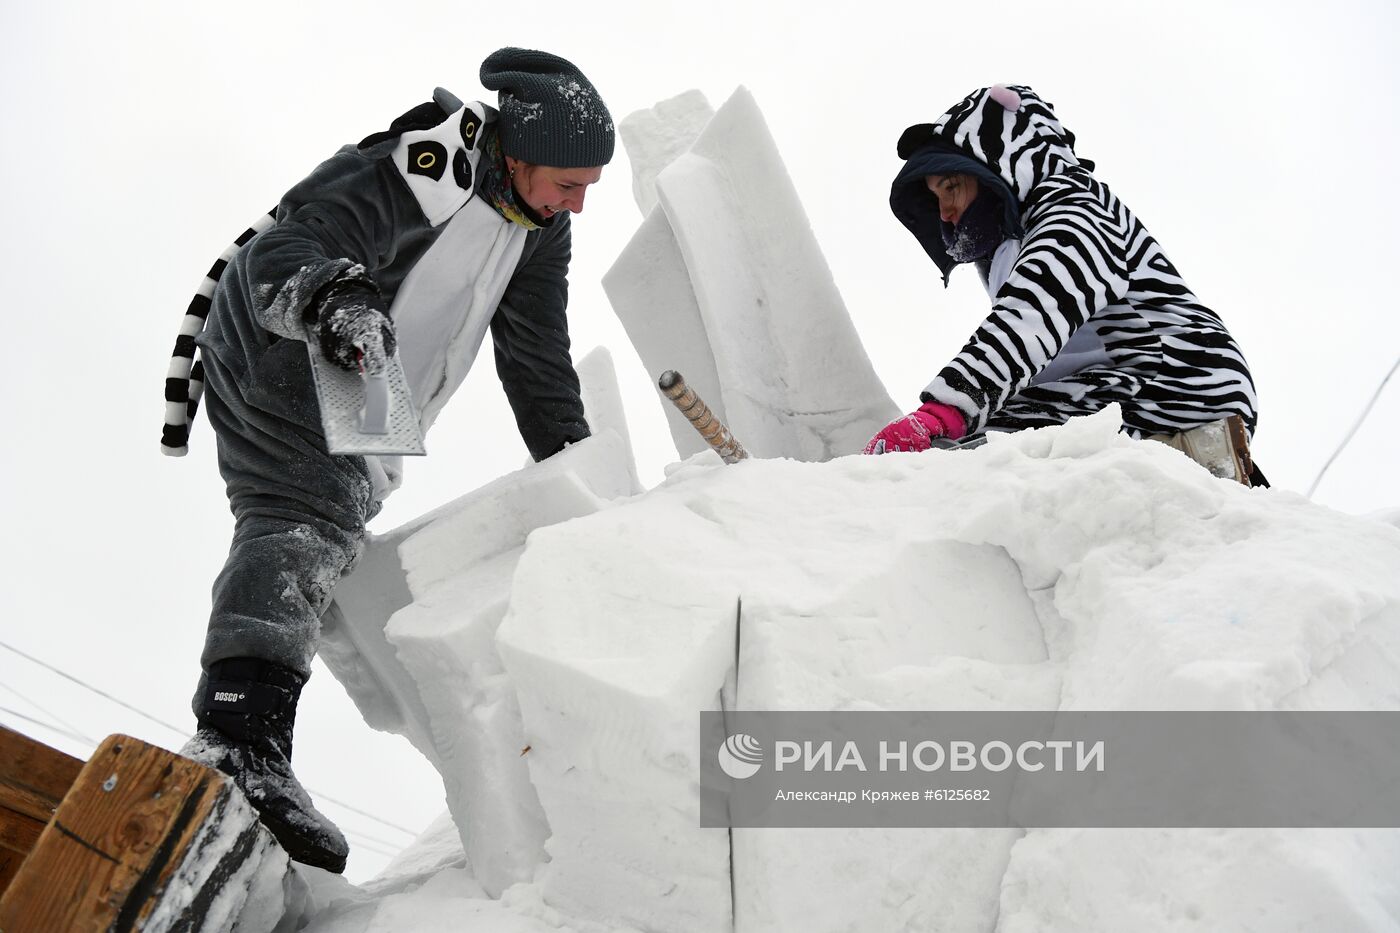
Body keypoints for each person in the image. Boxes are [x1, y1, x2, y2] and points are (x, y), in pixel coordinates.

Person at [160, 48, 614, 872]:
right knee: (304, 511)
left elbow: (537, 354)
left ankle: (255, 732)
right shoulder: (424, 165)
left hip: (367, 370)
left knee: (335, 529)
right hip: (290, 330)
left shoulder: (541, 230)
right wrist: (332, 299)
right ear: (517, 154)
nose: (579, 201)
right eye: (569, 180)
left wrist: (576, 461)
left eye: (587, 186)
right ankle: (235, 738)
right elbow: (292, 243)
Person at [865, 85, 1263, 486]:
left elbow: (1034, 313)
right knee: (984, 441)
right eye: (935, 199)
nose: (945, 212)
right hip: (1112, 384)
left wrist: (942, 414)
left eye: (950, 187)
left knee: (978, 461)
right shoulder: (1014, 243)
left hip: (1170, 379)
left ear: (999, 167)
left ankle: (1189, 451)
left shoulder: (1075, 209)